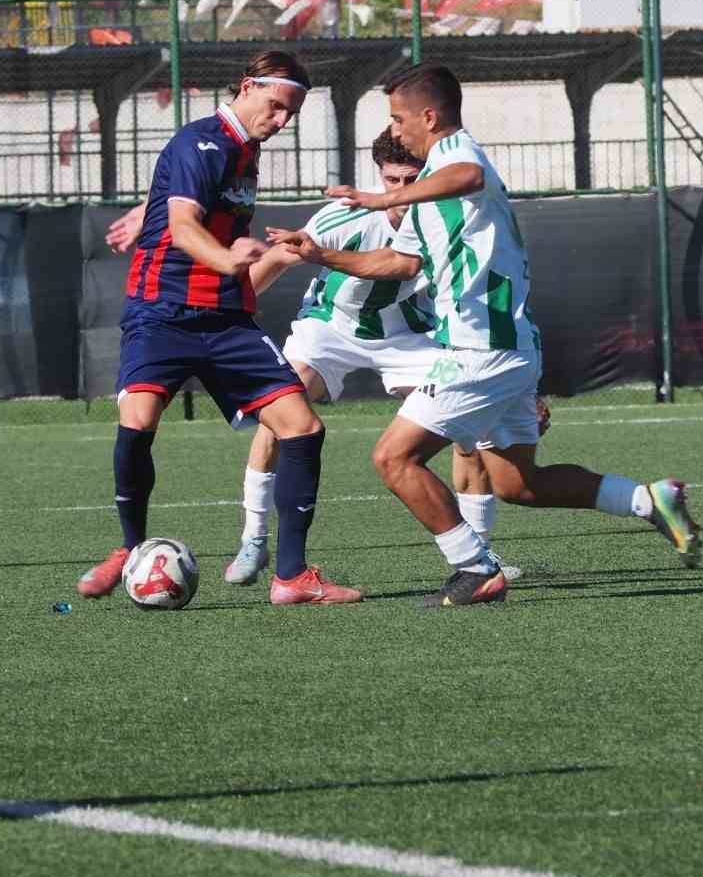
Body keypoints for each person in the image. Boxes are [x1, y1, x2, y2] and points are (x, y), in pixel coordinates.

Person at [268, 63, 700, 607]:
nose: (396, 131)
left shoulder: (456, 155)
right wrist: (324, 255)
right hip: (507, 346)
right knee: (520, 485)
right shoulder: (431, 190)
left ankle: (475, 569)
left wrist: (383, 200)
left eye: (400, 119)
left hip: (481, 349)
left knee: (393, 459)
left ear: (430, 115)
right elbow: (401, 264)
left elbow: (470, 177)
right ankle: (647, 499)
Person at [107, 128, 528, 585]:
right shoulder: (343, 217)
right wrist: (234, 314)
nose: (402, 193)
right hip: (329, 327)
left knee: (467, 422)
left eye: (412, 180)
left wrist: (519, 393)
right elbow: (279, 259)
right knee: (282, 413)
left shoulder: (443, 215)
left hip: (406, 333)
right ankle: (254, 539)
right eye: (392, 181)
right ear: (379, 177)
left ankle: (479, 552)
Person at [77, 49, 360, 606]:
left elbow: (183, 198)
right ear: (249, 86)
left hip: (226, 319)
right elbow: (184, 228)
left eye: (289, 117)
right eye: (276, 107)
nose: (280, 122)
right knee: (138, 415)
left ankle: (292, 578)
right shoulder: (202, 140)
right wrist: (229, 258)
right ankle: (131, 548)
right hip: (163, 310)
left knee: (302, 427)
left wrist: (148, 206)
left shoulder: (241, 149)